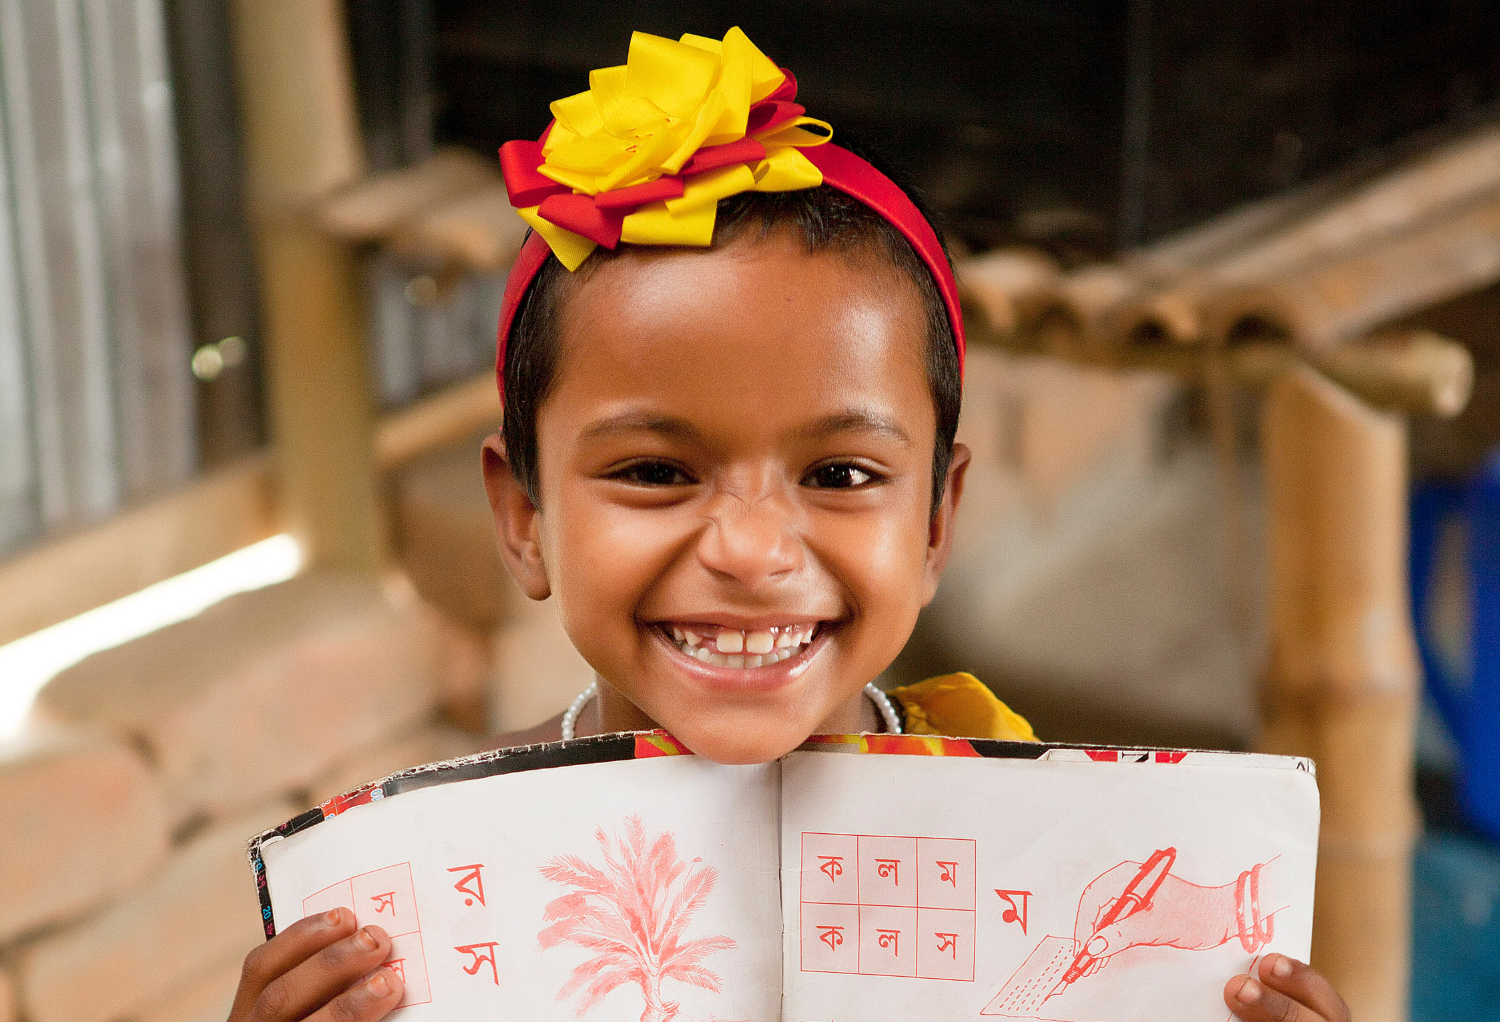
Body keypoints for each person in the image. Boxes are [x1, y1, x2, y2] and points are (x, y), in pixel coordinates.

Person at [224, 28, 1351, 1022]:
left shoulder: (1064, 860)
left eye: (843, 471)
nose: (755, 550)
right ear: (523, 518)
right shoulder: (431, 894)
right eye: (659, 470)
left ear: (934, 519)